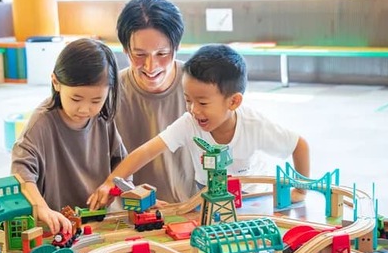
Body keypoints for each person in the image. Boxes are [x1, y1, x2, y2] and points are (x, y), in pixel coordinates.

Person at [88, 44, 310, 210]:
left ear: (233, 102)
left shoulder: (254, 125)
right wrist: (111, 181)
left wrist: (300, 190)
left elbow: (299, 145)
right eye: (188, 100)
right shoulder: (189, 123)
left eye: (203, 103)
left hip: (252, 199)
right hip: (205, 197)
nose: (193, 110)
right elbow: (147, 150)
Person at [11, 38, 126, 234]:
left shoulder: (103, 119)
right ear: (56, 83)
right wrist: (41, 208)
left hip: (98, 219)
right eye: (76, 98)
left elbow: (122, 162)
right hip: (59, 225)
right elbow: (21, 172)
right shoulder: (41, 124)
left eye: (96, 100)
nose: (85, 109)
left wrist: (114, 185)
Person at [114, 0, 197, 204]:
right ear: (125, 50)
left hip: (192, 209)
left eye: (162, 53)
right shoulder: (108, 93)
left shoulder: (200, 86)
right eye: (139, 54)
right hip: (131, 211)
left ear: (177, 47)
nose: (151, 67)